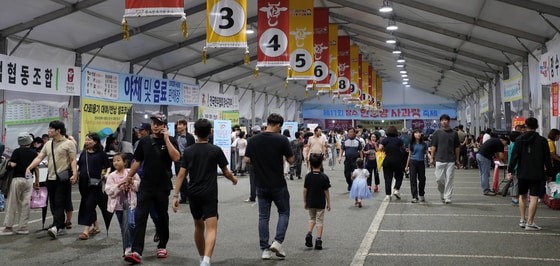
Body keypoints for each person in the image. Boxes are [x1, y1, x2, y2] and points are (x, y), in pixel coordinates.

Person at [172, 118, 238, 266]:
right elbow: (226, 172)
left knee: (198, 226)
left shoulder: (188, 151)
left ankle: (202, 257)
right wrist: (234, 180)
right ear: (211, 132)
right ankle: (207, 260)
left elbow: (181, 174)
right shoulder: (215, 150)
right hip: (209, 193)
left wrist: (176, 195)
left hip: (193, 192)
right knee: (212, 228)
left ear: (194, 132)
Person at [123, 113, 180, 264]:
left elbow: (176, 157)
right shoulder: (144, 142)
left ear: (164, 126)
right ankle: (136, 251)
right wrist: (129, 176)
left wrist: (167, 139)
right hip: (146, 186)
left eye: (159, 123)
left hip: (162, 186)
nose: (155, 125)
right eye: (154, 123)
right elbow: (137, 161)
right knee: (140, 217)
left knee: (162, 217)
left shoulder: (171, 140)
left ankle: (162, 246)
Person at [244, 113, 294, 260]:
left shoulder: (253, 140)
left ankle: (265, 249)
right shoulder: (281, 139)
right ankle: (278, 242)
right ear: (278, 125)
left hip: (261, 184)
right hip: (278, 184)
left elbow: (247, 160)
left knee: (263, 217)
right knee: (284, 212)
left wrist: (259, 163)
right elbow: (291, 160)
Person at [26, 120, 78, 239]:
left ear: (58, 131)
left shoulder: (68, 144)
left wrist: (74, 173)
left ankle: (56, 227)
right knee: (53, 203)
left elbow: (73, 160)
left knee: (59, 202)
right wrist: (29, 167)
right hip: (51, 178)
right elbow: (40, 157)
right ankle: (58, 223)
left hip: (63, 178)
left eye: (51, 129)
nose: (49, 131)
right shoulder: (48, 144)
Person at [507, 117, 553, 230]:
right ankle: (530, 222)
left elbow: (514, 157)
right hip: (537, 173)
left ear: (525, 126)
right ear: (537, 126)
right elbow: (547, 158)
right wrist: (549, 173)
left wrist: (510, 171)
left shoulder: (519, 140)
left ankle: (522, 220)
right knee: (533, 198)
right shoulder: (542, 141)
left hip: (522, 172)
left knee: (522, 196)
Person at [0, 133, 39, 235]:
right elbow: (36, 168)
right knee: (25, 203)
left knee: (12, 202)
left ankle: (8, 227)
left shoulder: (17, 151)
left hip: (17, 179)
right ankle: (23, 227)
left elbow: (13, 164)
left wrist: (6, 164)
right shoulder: (34, 153)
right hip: (29, 180)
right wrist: (37, 182)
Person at [105, 153, 140, 257]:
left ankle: (133, 245)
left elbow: (138, 185)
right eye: (114, 161)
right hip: (118, 206)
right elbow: (108, 191)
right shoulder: (112, 176)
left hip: (130, 204)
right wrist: (120, 185)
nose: (115, 162)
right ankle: (127, 247)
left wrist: (132, 183)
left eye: (118, 160)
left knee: (131, 224)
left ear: (125, 162)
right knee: (123, 227)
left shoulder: (130, 172)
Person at [77, 133, 110, 240]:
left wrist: (107, 174)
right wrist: (75, 175)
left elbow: (108, 166)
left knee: (89, 204)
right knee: (88, 204)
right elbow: (80, 167)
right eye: (86, 140)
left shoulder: (101, 154)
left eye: (89, 140)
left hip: (95, 183)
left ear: (95, 142)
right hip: (83, 183)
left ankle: (86, 230)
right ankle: (96, 226)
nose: (87, 142)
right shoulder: (83, 153)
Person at [133, 122, 160, 242]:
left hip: (152, 182)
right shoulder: (138, 143)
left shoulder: (156, 143)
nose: (139, 132)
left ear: (148, 131)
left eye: (142, 130)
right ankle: (136, 241)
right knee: (138, 210)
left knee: (154, 211)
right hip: (139, 181)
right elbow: (136, 161)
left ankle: (159, 229)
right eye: (138, 130)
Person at [429, 114, 460, 204]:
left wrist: (457, 159)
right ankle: (442, 192)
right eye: (442, 120)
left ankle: (447, 197)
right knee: (439, 179)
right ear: (440, 122)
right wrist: (431, 158)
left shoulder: (454, 133)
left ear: (449, 121)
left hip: (451, 160)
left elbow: (457, 147)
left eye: (446, 120)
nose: (444, 121)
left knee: (449, 179)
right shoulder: (437, 133)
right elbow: (433, 146)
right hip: (439, 159)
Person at [303, 154, 331, 250]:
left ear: (310, 163)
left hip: (310, 201)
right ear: (321, 164)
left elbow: (305, 190)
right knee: (320, 221)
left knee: (311, 218)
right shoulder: (324, 177)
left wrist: (305, 201)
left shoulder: (308, 177)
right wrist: (328, 203)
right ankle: (318, 240)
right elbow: (326, 191)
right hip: (320, 202)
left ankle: (309, 233)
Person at [378, 126, 405, 201]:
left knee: (388, 178)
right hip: (398, 161)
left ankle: (388, 195)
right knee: (399, 176)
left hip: (387, 161)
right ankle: (396, 189)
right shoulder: (399, 140)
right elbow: (403, 148)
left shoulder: (384, 140)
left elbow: (379, 148)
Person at [174, 119, 196, 204]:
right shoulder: (176, 136)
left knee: (183, 178)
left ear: (185, 126)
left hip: (186, 159)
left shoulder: (189, 137)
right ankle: (183, 196)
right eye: (178, 124)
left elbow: (193, 149)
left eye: (180, 124)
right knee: (180, 179)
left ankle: (188, 196)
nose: (178, 126)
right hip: (177, 160)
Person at [406, 130, 431, 203]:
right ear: (413, 135)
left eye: (419, 133)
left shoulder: (424, 144)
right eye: (416, 133)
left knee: (422, 179)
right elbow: (409, 155)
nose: (418, 134)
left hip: (421, 163)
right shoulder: (411, 144)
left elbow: (427, 153)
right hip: (413, 163)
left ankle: (421, 194)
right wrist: (406, 166)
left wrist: (431, 158)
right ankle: (414, 196)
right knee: (413, 180)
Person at [338, 127, 363, 192]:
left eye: (352, 132)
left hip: (355, 160)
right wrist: (340, 157)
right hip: (347, 160)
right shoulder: (345, 141)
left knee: (355, 174)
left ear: (354, 133)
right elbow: (342, 149)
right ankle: (349, 183)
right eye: (349, 132)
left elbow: (360, 151)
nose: (350, 133)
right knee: (347, 174)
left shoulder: (358, 141)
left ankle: (353, 185)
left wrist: (361, 159)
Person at [244, 126, 261, 203]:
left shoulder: (250, 140)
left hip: (253, 163)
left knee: (253, 181)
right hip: (262, 163)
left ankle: (252, 197)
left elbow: (247, 157)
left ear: (252, 132)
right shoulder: (264, 140)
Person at [507, 131, 522, 205]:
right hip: (516, 167)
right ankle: (515, 198)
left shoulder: (511, 145)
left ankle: (514, 197)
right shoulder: (515, 145)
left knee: (513, 183)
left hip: (511, 165)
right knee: (516, 183)